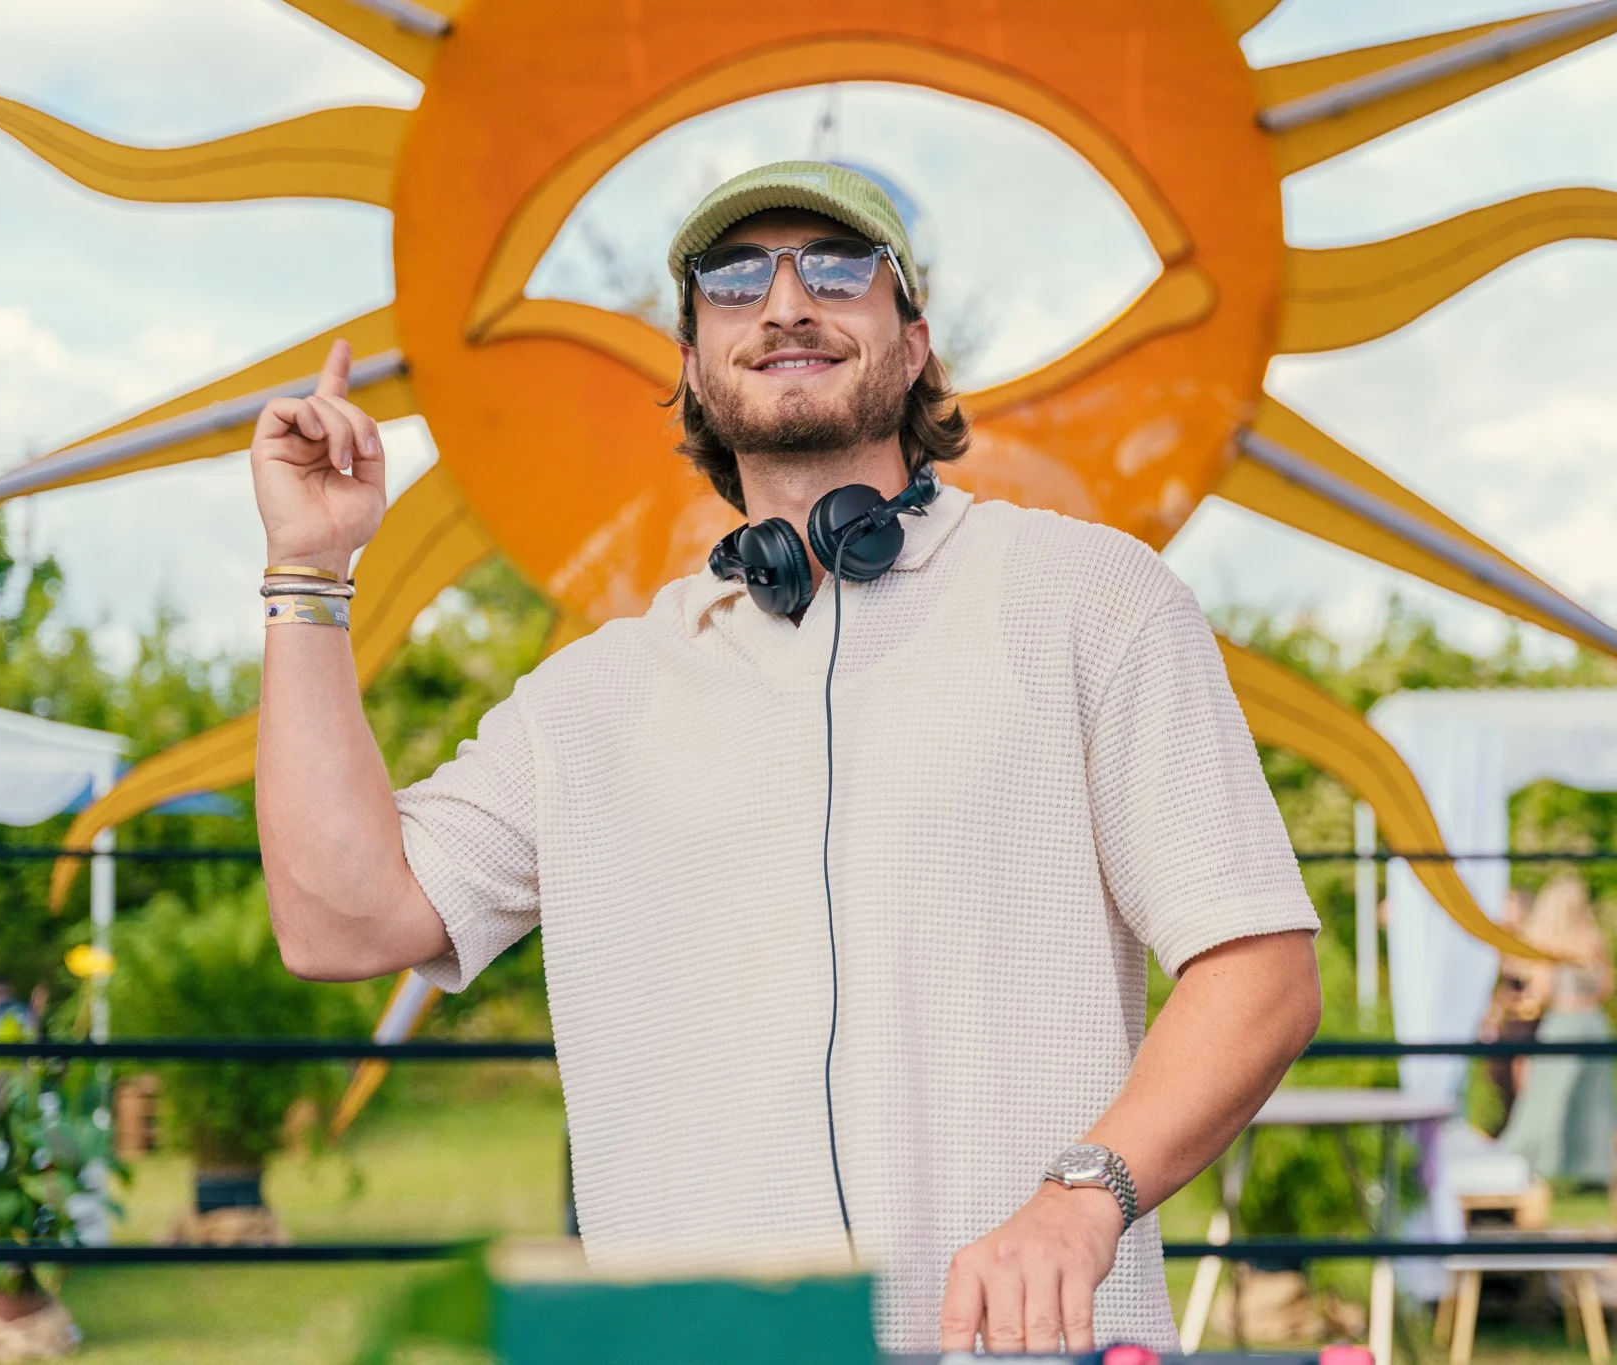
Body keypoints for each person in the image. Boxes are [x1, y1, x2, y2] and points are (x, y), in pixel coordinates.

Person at [247, 160, 1322, 1354]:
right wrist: (309, 570)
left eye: (839, 267)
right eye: (736, 276)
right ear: (695, 368)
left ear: (914, 345)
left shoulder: (1090, 601)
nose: (785, 301)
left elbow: (1258, 968)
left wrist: (1084, 1198)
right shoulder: (586, 700)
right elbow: (337, 923)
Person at [1496, 875, 1617, 1186]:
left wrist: (1517, 1002)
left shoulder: (1553, 944)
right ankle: (1595, 1168)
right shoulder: (1593, 939)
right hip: (1593, 1024)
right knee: (1595, 1101)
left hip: (1564, 1024)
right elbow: (1607, 986)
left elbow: (1543, 990)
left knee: (1547, 1098)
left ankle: (1542, 1163)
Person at [1479, 888, 1547, 1137]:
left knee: (1519, 1070)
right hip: (1512, 1020)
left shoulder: (1532, 943)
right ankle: (1507, 1119)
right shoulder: (1504, 945)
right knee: (1496, 1066)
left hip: (1528, 1020)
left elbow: (1536, 990)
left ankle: (1519, 1125)